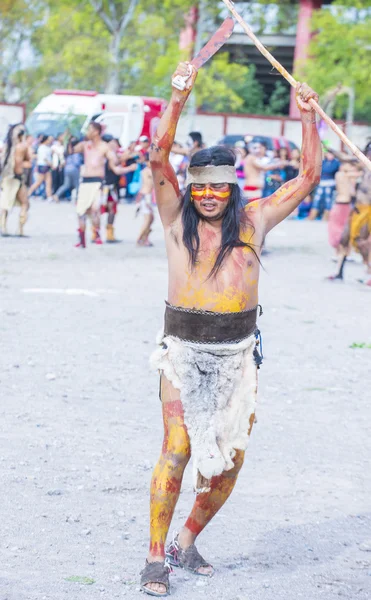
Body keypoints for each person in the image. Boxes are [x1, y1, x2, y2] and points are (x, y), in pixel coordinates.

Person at [139, 61, 322, 597]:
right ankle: (155, 557)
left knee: (230, 463)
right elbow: (157, 157)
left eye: (220, 187)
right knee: (177, 448)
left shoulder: (255, 220)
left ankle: (186, 541)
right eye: (202, 188)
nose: (211, 195)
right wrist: (179, 95)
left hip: (238, 355)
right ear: (191, 190)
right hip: (182, 352)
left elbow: (308, 177)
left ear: (232, 186)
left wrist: (308, 118)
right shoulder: (174, 217)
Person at [71, 122, 126, 248]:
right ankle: (82, 239)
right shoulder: (85, 145)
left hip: (97, 181)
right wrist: (71, 140)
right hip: (85, 181)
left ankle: (97, 234)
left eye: (89, 129)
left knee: (95, 209)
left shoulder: (104, 147)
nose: (87, 132)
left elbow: (114, 160)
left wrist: (120, 155)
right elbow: (71, 151)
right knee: (81, 210)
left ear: (96, 131)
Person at [328, 142, 371, 284]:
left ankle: (368, 271)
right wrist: (330, 149)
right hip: (357, 208)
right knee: (344, 239)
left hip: (368, 211)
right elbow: (345, 158)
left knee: (362, 243)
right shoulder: (364, 165)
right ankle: (338, 271)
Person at [0, 124, 32, 236]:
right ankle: (10, 229)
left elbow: (28, 162)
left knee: (21, 203)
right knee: (8, 204)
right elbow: (29, 162)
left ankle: (15, 229)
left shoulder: (9, 147)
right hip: (11, 178)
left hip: (14, 178)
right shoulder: (19, 147)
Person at [309, 148, 340, 220]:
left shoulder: (335, 162)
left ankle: (326, 216)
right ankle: (312, 215)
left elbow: (330, 170)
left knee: (328, 200)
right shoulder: (324, 161)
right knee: (317, 198)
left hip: (330, 183)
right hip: (322, 182)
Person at [52, 136, 82, 202]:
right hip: (74, 169)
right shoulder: (76, 153)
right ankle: (78, 199)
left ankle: (56, 195)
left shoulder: (67, 153)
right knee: (77, 185)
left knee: (66, 184)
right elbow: (77, 163)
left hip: (67, 169)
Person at [136, 154, 154, 246]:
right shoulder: (146, 171)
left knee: (151, 219)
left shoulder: (150, 171)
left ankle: (145, 238)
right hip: (145, 196)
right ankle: (140, 238)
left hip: (148, 196)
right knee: (148, 219)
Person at [28, 134, 53, 201]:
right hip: (43, 165)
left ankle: (49, 196)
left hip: (45, 166)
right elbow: (44, 158)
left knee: (48, 181)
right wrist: (51, 164)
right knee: (39, 182)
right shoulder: (42, 148)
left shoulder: (45, 147)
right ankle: (28, 193)